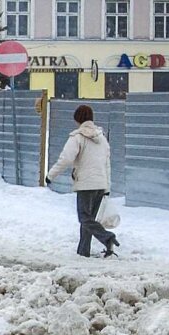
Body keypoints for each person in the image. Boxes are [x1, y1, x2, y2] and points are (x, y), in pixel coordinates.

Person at [46, 105, 120, 258]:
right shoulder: (102, 138)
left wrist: (50, 175)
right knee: (89, 219)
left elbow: (65, 159)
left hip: (86, 184)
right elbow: (107, 163)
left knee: (84, 218)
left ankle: (107, 237)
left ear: (77, 119)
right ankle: (83, 251)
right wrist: (107, 186)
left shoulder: (77, 137)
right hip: (100, 184)